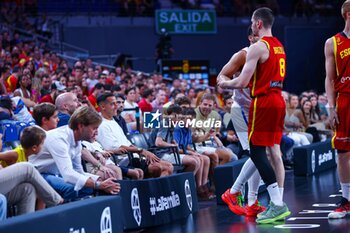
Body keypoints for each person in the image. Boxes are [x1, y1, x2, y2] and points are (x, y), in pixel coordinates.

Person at [218, 7, 290, 223]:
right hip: (270, 102)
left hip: (263, 103)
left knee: (258, 153)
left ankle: (272, 202)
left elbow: (240, 82)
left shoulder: (258, 48)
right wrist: (226, 78)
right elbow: (228, 72)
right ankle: (252, 200)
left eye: (251, 21)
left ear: (258, 24)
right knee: (262, 153)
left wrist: (224, 83)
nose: (250, 25)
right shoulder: (278, 46)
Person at [218, 25, 266, 217]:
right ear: (249, 38)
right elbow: (222, 75)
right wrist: (231, 83)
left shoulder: (267, 54)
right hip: (242, 109)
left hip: (258, 109)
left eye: (261, 37)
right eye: (255, 37)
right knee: (258, 153)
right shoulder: (242, 55)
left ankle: (252, 201)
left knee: (262, 154)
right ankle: (234, 191)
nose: (259, 40)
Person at [29, 106, 121, 201]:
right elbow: (68, 175)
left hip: (56, 174)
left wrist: (99, 180)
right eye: (94, 128)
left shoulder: (77, 142)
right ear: (81, 126)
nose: (97, 133)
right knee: (74, 188)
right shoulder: (59, 139)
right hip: (38, 175)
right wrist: (98, 185)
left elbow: (78, 172)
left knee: (88, 185)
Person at [96, 93, 173, 178]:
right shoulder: (102, 125)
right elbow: (117, 148)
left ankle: (158, 190)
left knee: (169, 166)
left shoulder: (113, 121)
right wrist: (141, 151)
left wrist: (143, 152)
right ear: (103, 107)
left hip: (133, 156)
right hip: (123, 160)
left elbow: (127, 142)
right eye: (113, 104)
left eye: (117, 103)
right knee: (158, 168)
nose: (116, 106)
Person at [325, 0, 350, 219]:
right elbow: (329, 78)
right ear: (348, 15)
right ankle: (347, 200)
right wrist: (330, 107)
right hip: (345, 100)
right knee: (343, 152)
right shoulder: (332, 43)